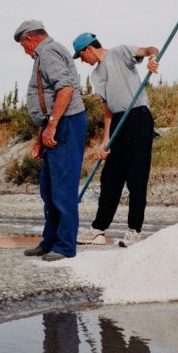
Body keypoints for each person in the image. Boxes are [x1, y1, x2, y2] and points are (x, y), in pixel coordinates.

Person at [71, 32, 158, 247]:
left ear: (88, 49)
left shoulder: (120, 52)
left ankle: (134, 231)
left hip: (138, 117)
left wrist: (152, 60)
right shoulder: (96, 75)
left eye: (81, 56)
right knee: (110, 177)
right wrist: (105, 140)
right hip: (118, 121)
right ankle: (98, 229)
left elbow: (150, 49)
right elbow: (107, 108)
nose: (82, 61)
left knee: (137, 178)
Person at [14, 20, 87, 261]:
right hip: (56, 124)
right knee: (48, 186)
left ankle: (65, 246)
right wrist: (40, 138)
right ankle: (50, 241)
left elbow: (65, 88)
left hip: (66, 123)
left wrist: (53, 125)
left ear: (29, 39)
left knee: (63, 188)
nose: (24, 51)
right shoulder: (45, 54)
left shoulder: (48, 52)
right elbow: (48, 102)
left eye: (23, 46)